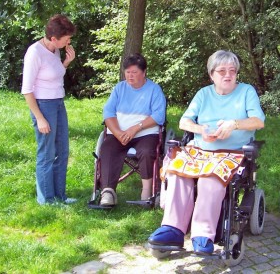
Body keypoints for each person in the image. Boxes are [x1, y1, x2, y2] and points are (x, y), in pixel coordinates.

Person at [148, 50, 265, 254]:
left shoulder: (246, 92)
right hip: (201, 149)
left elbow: (258, 121)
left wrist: (234, 124)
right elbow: (185, 121)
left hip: (231, 152)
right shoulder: (203, 94)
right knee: (177, 172)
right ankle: (173, 229)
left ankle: (202, 234)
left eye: (232, 70)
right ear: (212, 74)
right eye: (222, 71)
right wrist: (201, 130)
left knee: (209, 180)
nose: (228, 75)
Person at [21, 14, 77, 205]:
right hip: (43, 106)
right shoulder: (34, 53)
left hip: (58, 103)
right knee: (46, 153)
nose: (69, 41)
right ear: (54, 38)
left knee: (62, 151)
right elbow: (27, 90)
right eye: (67, 38)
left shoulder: (55, 50)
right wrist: (40, 118)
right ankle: (47, 200)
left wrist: (67, 62)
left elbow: (56, 74)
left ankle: (60, 196)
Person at [99, 53, 166, 206]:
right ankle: (108, 192)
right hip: (120, 132)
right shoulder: (119, 88)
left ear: (144, 73)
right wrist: (117, 132)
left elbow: (158, 116)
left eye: (134, 72)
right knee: (108, 148)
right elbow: (108, 113)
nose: (130, 76)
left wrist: (135, 129)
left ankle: (146, 191)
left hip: (145, 133)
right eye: (127, 72)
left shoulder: (154, 90)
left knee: (148, 151)